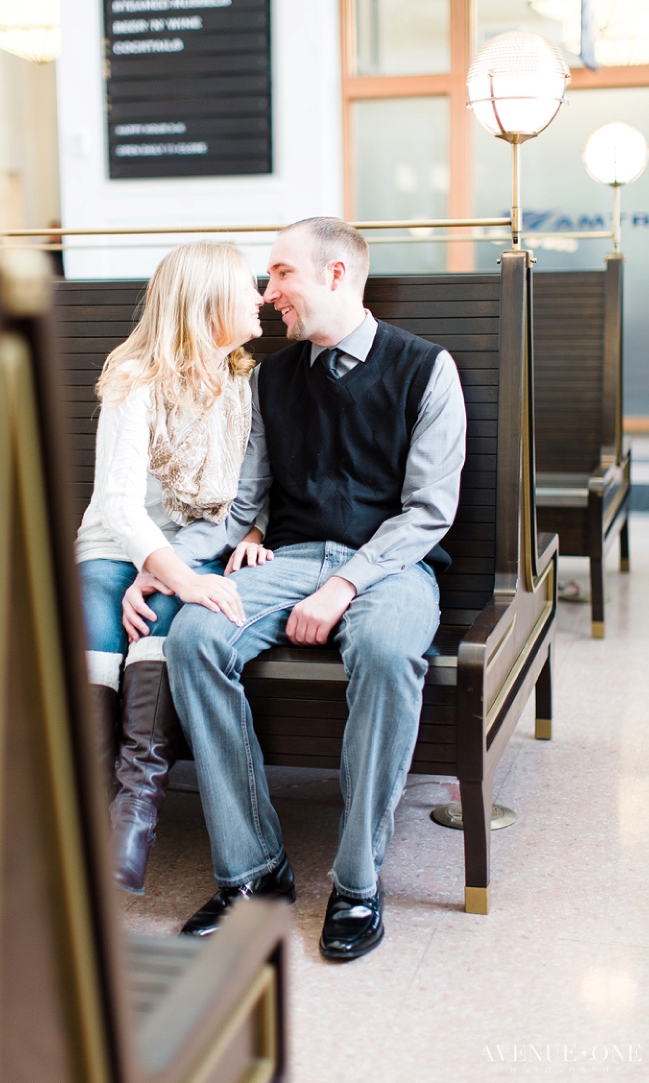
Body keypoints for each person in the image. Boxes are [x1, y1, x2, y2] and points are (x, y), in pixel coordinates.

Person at [125, 216, 467, 960]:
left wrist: (344, 585)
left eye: (282, 274)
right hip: (284, 561)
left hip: (392, 566)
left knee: (383, 650)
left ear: (336, 274)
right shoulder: (272, 376)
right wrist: (164, 565)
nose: (268, 291)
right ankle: (254, 871)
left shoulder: (425, 368)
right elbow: (243, 507)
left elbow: (428, 514)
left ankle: (357, 879)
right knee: (193, 635)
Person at [76, 240, 271, 895]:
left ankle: (133, 818)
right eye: (248, 287)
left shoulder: (242, 383)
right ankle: (82, 831)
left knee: (154, 624)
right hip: (114, 547)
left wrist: (250, 532)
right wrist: (173, 574)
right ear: (210, 301)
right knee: (100, 644)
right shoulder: (134, 378)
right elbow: (118, 507)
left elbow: (255, 485)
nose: (261, 296)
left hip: (188, 548)